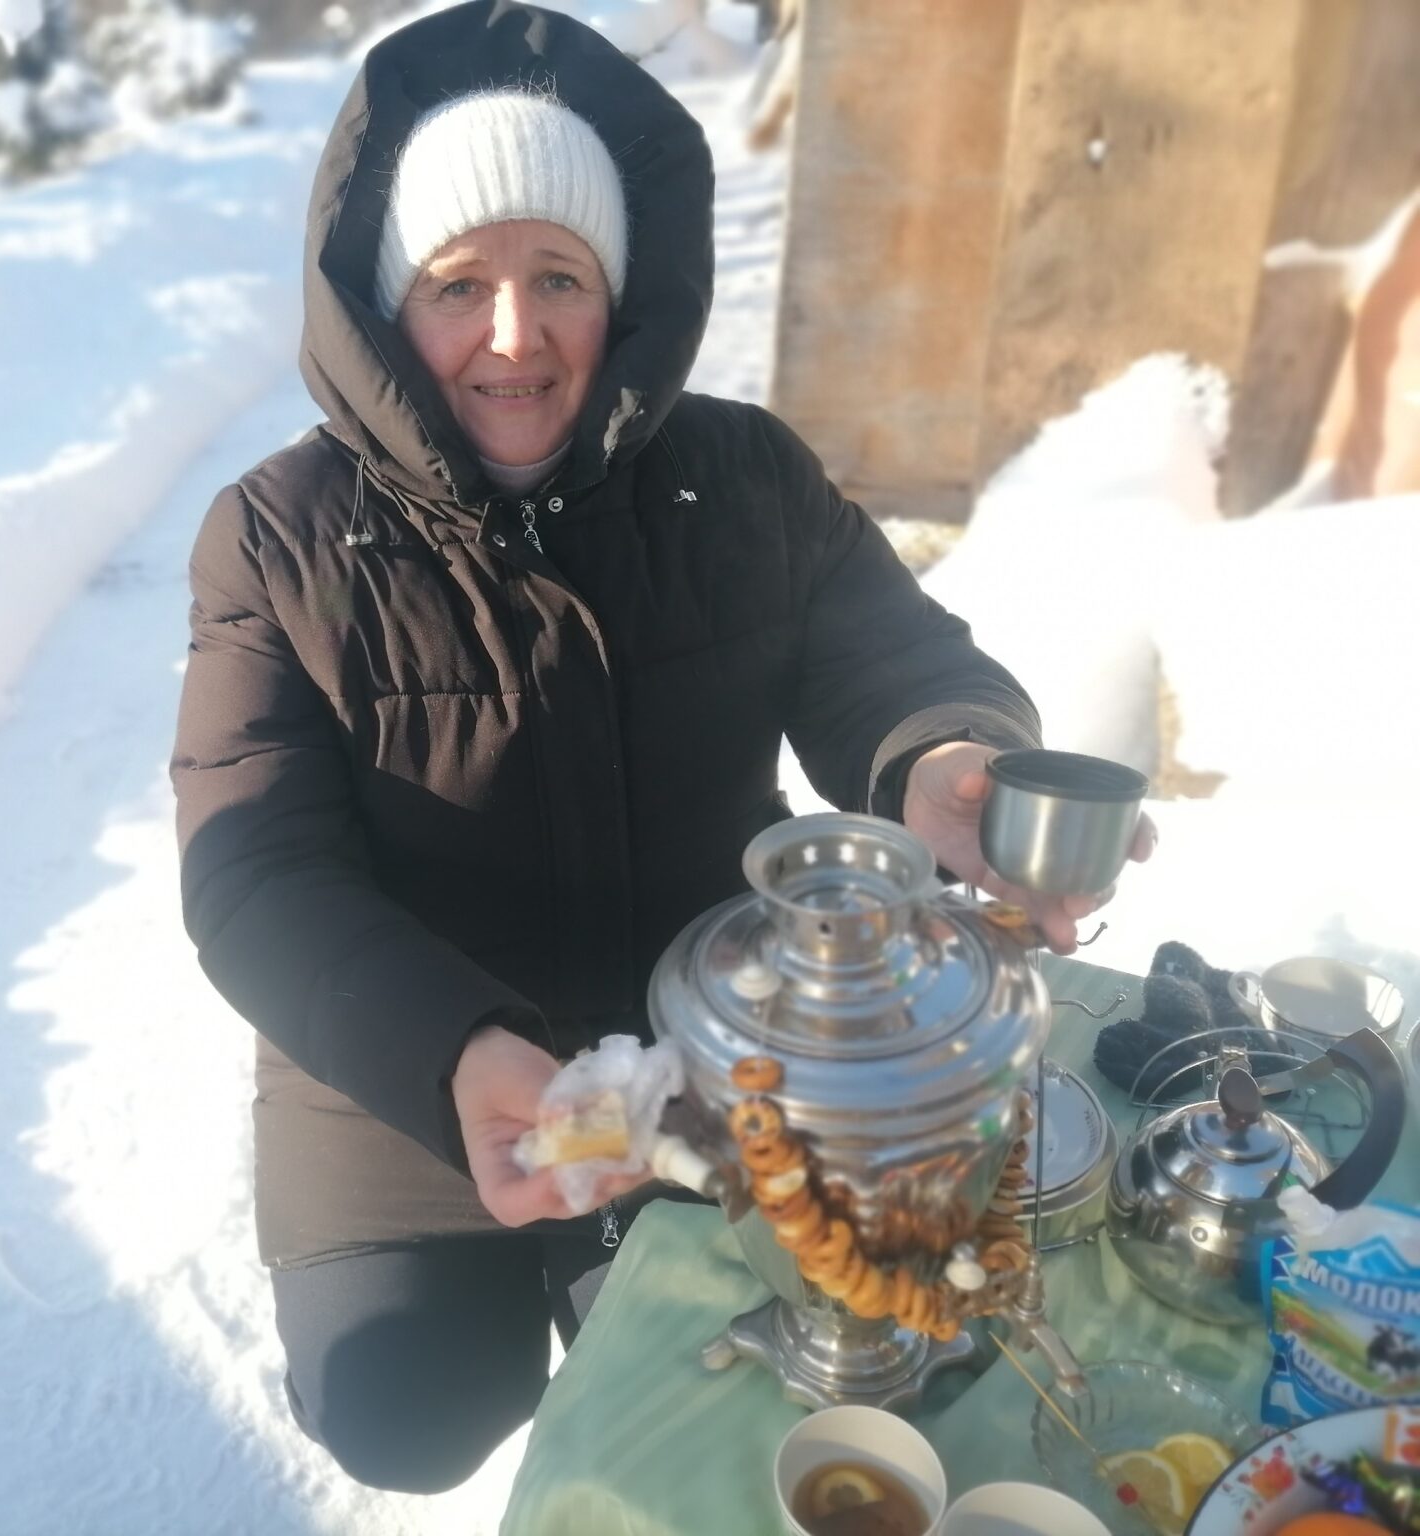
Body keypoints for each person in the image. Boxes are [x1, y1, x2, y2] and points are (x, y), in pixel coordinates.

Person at [170, 0, 1153, 1496]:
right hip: (411, 1069)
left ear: (619, 294)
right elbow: (255, 874)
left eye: (558, 277)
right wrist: (448, 1054)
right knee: (408, 1413)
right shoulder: (276, 539)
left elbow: (892, 660)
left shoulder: (741, 475)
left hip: (704, 1052)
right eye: (458, 285)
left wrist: (945, 760)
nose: (515, 335)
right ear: (384, 307)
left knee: (717, 1388)